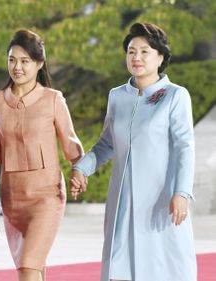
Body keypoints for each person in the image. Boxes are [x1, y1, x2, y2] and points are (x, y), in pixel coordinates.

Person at [71, 22, 197, 281]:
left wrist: (181, 193)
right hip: (123, 202)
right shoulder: (117, 96)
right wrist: (82, 168)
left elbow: (185, 147)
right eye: (131, 51)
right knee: (120, 267)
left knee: (162, 268)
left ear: (160, 57)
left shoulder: (175, 96)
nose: (136, 57)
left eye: (144, 51)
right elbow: (106, 144)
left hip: (160, 201)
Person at [0, 30, 84, 281]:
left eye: (25, 61)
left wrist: (79, 170)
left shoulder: (53, 100)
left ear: (39, 64)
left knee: (28, 267)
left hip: (47, 197)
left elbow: (71, 144)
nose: (17, 67)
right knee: (33, 266)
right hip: (11, 199)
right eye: (12, 60)